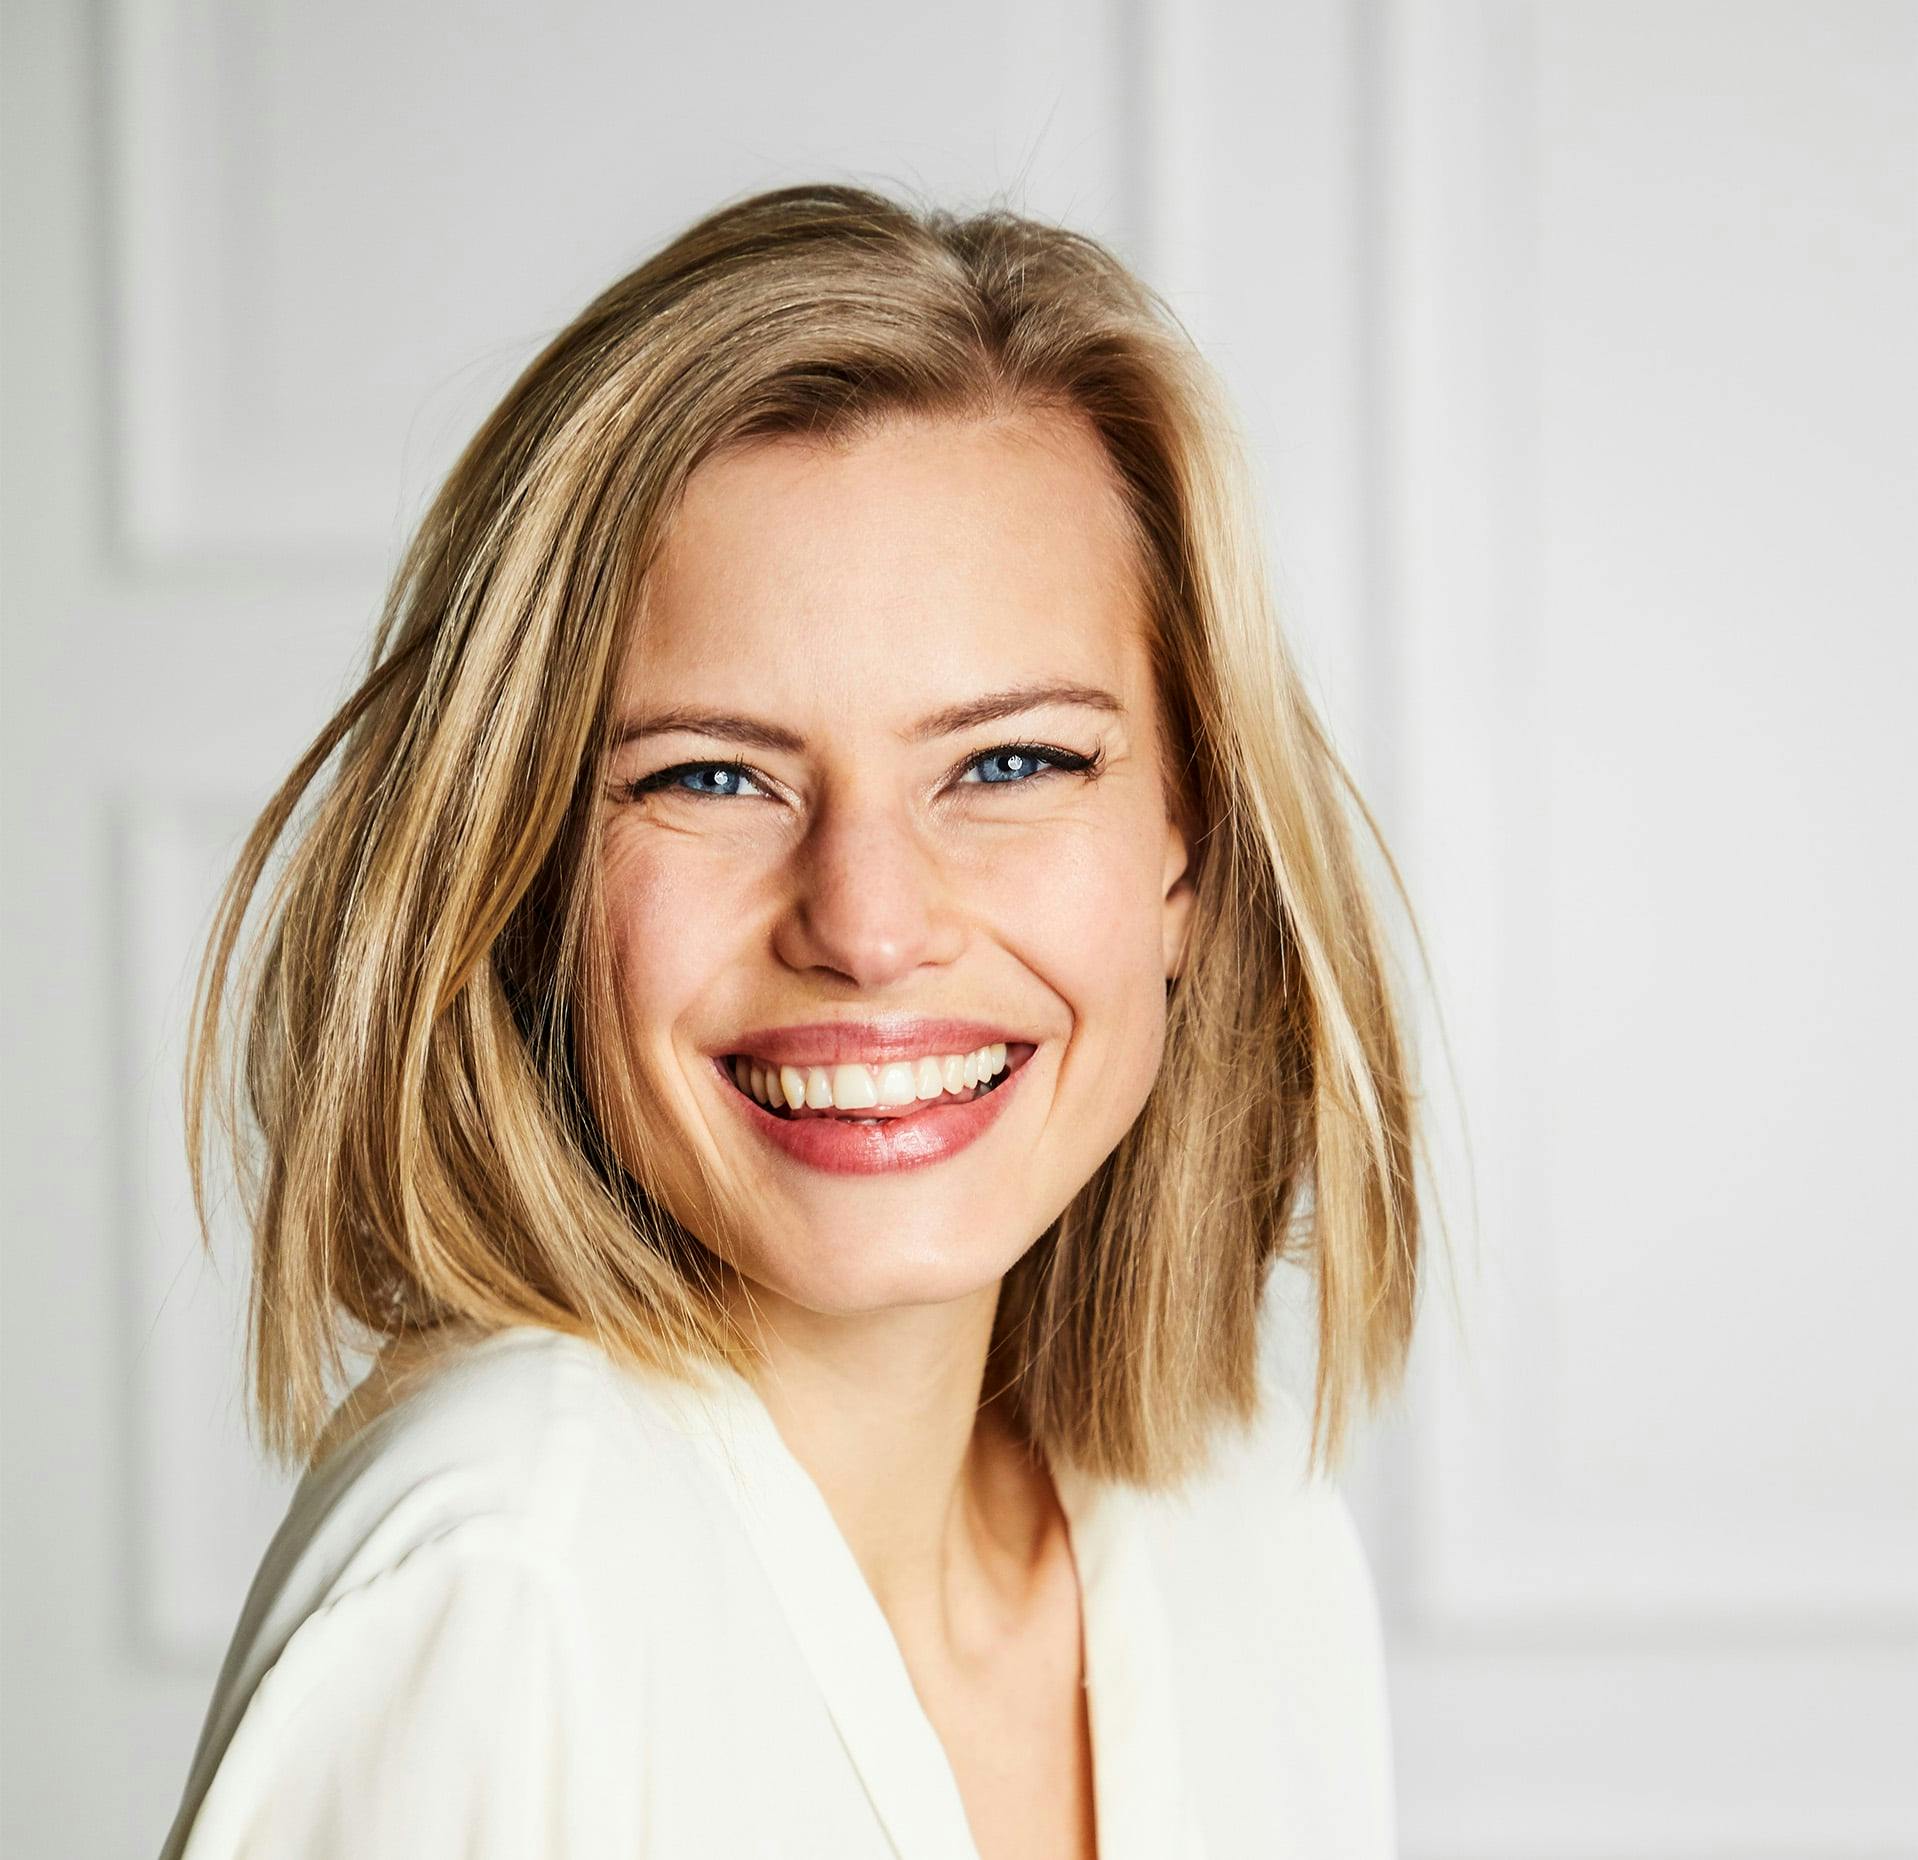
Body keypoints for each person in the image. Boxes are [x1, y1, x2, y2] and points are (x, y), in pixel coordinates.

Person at [158, 181, 1425, 1859]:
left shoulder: (1247, 1540)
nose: (868, 924)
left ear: (1185, 852)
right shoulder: (507, 1587)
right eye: (710, 775)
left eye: (1010, 762)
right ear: (525, 874)